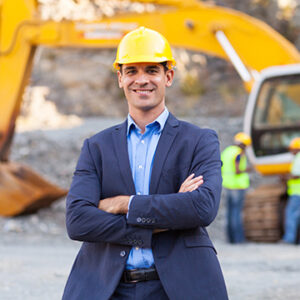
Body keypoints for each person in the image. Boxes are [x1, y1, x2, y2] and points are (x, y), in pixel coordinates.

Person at [63, 27, 228, 300]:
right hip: (107, 288)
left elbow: (202, 207)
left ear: (169, 76)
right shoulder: (96, 147)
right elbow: (78, 221)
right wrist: (169, 211)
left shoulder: (199, 140)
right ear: (120, 78)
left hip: (178, 287)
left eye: (152, 70)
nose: (142, 80)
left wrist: (124, 204)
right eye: (132, 71)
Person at [221, 132, 251, 244]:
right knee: (236, 213)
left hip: (228, 185)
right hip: (237, 186)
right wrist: (247, 170)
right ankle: (239, 239)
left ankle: (231, 239)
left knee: (230, 213)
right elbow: (237, 170)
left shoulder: (227, 151)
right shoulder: (238, 154)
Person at [282, 137, 300, 244]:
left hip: (297, 192)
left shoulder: (298, 158)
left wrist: (286, 177)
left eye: (292, 148)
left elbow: (296, 175)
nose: (291, 151)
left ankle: (289, 238)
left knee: (291, 214)